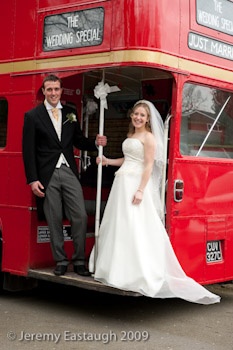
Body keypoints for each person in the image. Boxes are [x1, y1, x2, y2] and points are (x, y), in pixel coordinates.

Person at [89, 100, 220, 304]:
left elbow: (148, 166)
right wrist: (108, 161)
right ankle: (114, 267)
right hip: (122, 183)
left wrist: (141, 190)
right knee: (120, 225)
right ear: (132, 116)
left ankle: (137, 272)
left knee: (135, 226)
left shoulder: (149, 137)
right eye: (136, 114)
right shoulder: (131, 134)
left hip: (135, 185)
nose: (138, 117)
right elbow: (129, 159)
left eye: (142, 115)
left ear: (148, 118)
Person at [22, 74, 107, 277]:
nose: (53, 93)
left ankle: (78, 261)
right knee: (54, 217)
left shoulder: (70, 112)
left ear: (61, 90)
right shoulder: (33, 116)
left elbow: (77, 140)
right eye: (49, 89)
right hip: (46, 174)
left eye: (56, 89)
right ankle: (60, 260)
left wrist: (95, 143)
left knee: (79, 215)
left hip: (69, 169)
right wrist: (33, 179)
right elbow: (28, 150)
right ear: (43, 91)